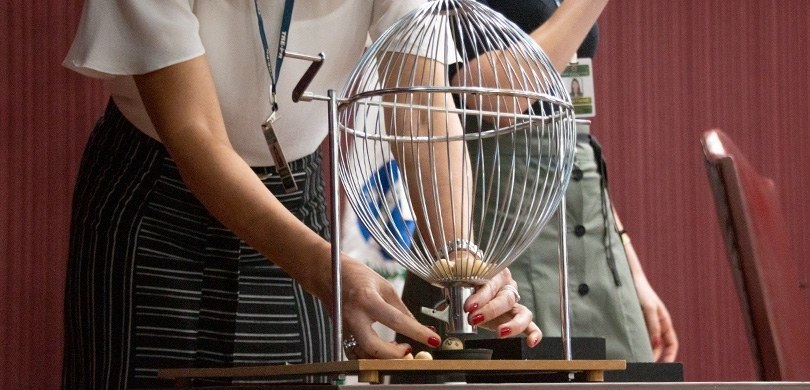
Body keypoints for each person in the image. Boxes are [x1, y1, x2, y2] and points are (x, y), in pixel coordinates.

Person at [61, 1, 541, 388]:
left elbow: (421, 110)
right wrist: (323, 270)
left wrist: (460, 256)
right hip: (157, 199)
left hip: (296, 198)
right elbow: (196, 133)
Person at [401, 0, 678, 363]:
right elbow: (486, 95)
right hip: (495, 206)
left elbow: (572, 135)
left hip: (584, 217)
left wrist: (631, 268)